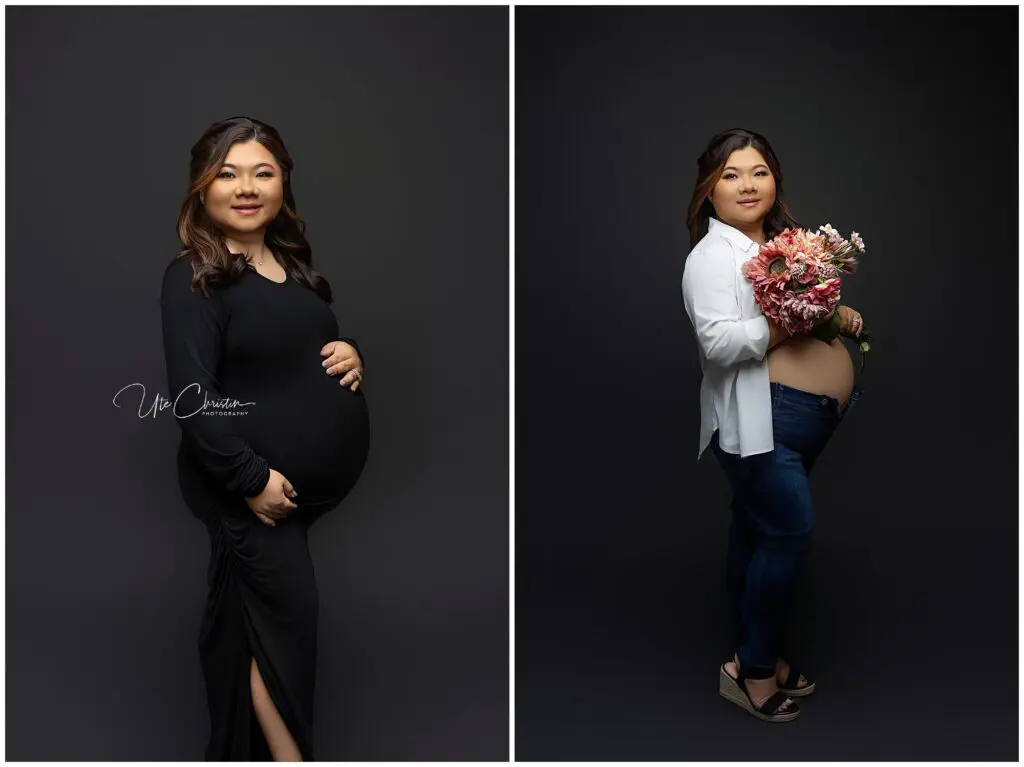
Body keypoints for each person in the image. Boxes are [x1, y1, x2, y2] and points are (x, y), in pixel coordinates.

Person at [160, 116, 371, 759]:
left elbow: (289, 352)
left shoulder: (292, 266)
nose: (245, 187)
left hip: (292, 500)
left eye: (262, 172)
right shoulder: (194, 275)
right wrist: (251, 479)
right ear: (202, 189)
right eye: (227, 174)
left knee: (256, 633)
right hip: (250, 491)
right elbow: (192, 396)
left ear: (283, 183)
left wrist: (349, 353)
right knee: (285, 632)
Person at [680, 128, 865, 723]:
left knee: (758, 534)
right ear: (709, 192)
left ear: (775, 179)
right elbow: (718, 343)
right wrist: (794, 321)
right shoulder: (709, 259)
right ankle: (754, 672)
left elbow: (806, 311)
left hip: (798, 424)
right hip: (762, 427)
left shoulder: (787, 245)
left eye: (757, 171)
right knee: (786, 535)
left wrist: (832, 314)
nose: (747, 184)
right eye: (730, 175)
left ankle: (753, 654)